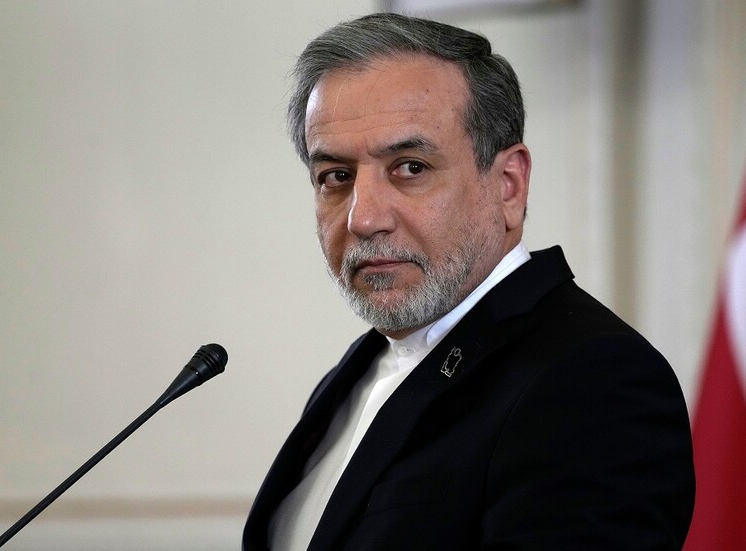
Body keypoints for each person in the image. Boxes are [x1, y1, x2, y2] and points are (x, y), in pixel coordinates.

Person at [243, 12, 694, 550]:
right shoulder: (363, 367)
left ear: (508, 185)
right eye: (336, 177)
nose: (363, 218)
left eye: (410, 167)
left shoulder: (593, 379)